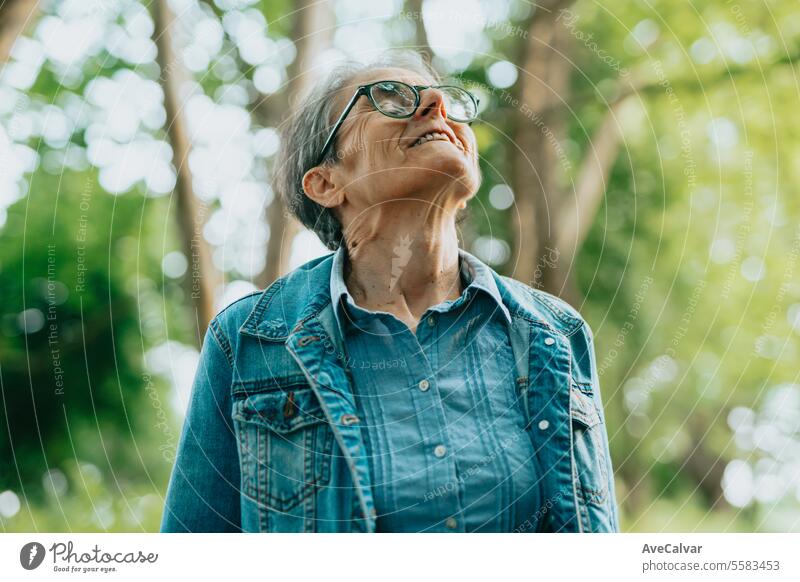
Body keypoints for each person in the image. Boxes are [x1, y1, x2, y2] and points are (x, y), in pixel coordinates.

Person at [160, 51, 619, 533]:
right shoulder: (248, 341)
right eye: (390, 98)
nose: (437, 104)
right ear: (326, 182)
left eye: (443, 99)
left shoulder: (557, 332)